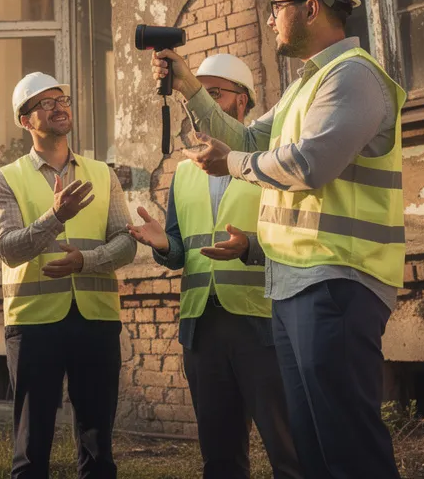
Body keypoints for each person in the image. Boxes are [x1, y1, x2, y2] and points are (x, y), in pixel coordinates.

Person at [151, 0, 406, 479]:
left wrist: (235, 162)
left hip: (337, 278)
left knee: (345, 442)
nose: (270, 17)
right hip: (293, 285)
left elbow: (310, 164)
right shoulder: (303, 87)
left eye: (279, 4)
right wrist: (188, 87)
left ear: (311, 8)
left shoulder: (354, 77)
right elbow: (242, 136)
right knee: (313, 446)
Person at [128, 54, 302, 479]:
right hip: (202, 327)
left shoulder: (270, 162)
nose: (199, 102)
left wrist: (250, 248)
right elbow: (179, 251)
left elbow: (298, 235)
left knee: (290, 451)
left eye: (214, 94)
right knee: (220, 458)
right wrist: (163, 244)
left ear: (242, 103)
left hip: (261, 322)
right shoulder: (185, 172)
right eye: (198, 92)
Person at [0, 72, 137, 479]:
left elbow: (127, 243)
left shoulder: (102, 173)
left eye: (62, 99)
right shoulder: (6, 178)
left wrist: (84, 262)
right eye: (45, 103)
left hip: (97, 318)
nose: (58, 107)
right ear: (25, 121)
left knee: (98, 446)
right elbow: (7, 249)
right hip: (35, 323)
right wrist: (55, 217)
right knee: (32, 447)